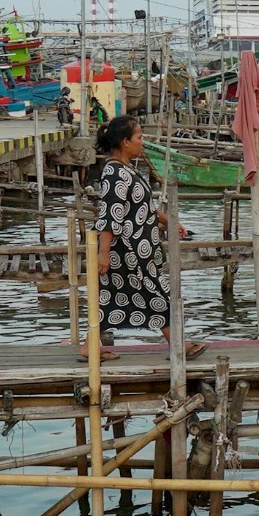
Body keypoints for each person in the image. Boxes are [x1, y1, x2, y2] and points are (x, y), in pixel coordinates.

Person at [93, 114, 192, 346]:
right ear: (125, 142)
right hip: (128, 251)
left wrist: (169, 222)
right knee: (158, 295)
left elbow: (144, 206)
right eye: (139, 137)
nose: (142, 142)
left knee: (112, 301)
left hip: (141, 250)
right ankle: (179, 344)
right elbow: (109, 215)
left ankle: (90, 347)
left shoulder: (127, 170)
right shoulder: (114, 173)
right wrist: (103, 253)